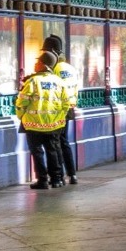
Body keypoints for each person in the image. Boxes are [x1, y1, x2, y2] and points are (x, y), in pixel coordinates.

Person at [17, 52, 72, 189]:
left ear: (44, 65)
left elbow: (21, 102)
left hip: (33, 124)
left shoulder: (32, 81)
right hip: (53, 125)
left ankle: (42, 180)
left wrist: (21, 116)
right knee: (52, 150)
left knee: (37, 152)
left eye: (38, 62)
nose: (35, 65)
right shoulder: (59, 82)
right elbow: (66, 104)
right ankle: (56, 179)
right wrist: (59, 118)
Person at [43, 34, 80, 184]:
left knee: (55, 142)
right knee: (64, 141)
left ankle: (59, 176)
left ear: (52, 51)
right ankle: (72, 174)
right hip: (69, 108)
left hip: (57, 109)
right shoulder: (70, 68)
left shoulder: (54, 68)